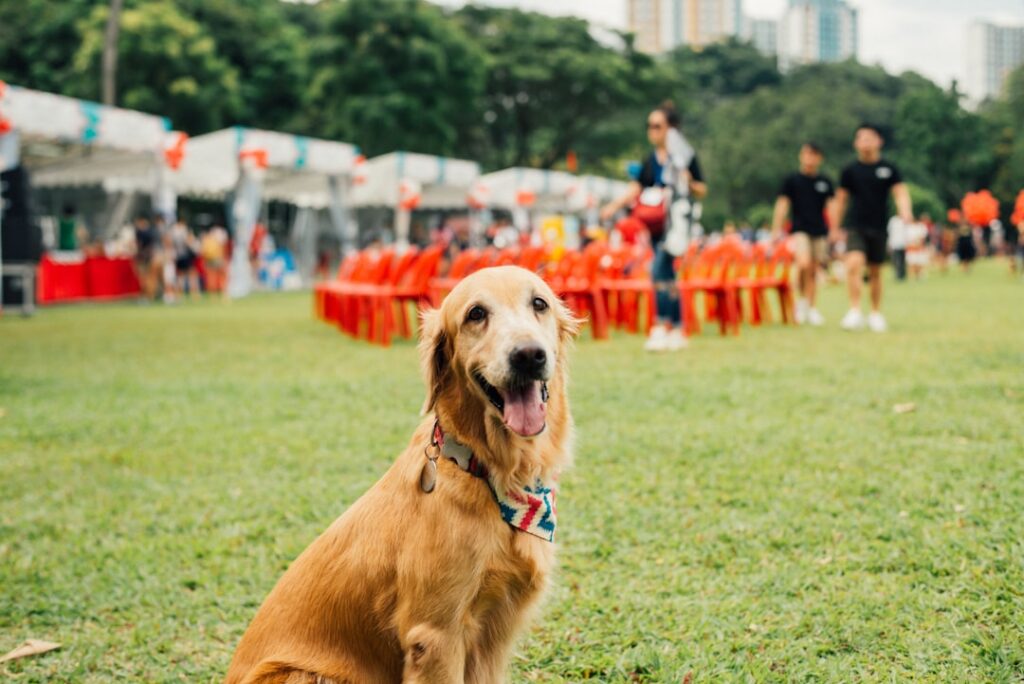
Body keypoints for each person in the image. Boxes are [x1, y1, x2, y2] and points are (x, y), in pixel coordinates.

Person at [600, 101, 707, 352]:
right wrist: (613, 206)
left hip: (677, 224)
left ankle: (661, 324)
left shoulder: (683, 157)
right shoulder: (651, 160)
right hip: (657, 224)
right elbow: (636, 187)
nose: (652, 131)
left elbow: (702, 189)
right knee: (667, 276)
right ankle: (678, 327)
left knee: (658, 270)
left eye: (657, 126)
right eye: (649, 126)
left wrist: (688, 181)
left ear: (670, 129)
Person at [830, 124, 913, 333]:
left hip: (879, 226)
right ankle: (855, 310)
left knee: (875, 271)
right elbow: (841, 200)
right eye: (861, 138)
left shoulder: (889, 169)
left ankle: (875, 313)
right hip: (855, 226)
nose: (865, 142)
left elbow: (900, 193)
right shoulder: (849, 171)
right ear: (856, 143)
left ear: (879, 142)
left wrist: (905, 212)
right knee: (854, 264)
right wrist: (834, 226)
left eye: (870, 138)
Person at [771, 142, 834, 325]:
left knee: (814, 269)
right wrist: (776, 228)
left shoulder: (824, 182)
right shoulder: (792, 180)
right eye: (806, 154)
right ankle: (801, 302)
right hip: (799, 229)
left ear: (819, 158)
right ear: (801, 156)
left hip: (819, 230)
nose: (809, 158)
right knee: (803, 263)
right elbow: (782, 204)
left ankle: (812, 307)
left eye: (813, 155)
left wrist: (834, 229)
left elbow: (831, 207)